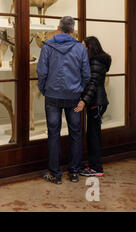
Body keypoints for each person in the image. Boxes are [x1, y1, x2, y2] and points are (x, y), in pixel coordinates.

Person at [37, 16, 91, 184]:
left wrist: (44, 89)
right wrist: (79, 90)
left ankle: (55, 174)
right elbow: (86, 74)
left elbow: (42, 72)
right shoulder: (80, 48)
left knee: (53, 133)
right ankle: (74, 172)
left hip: (52, 96)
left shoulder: (47, 46)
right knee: (76, 133)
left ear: (58, 28)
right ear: (73, 30)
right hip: (73, 97)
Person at [74, 36, 111, 177]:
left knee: (93, 136)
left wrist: (83, 101)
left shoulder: (96, 62)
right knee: (93, 134)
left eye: (84, 46)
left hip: (96, 103)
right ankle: (94, 165)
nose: (82, 48)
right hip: (96, 102)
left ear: (90, 47)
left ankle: (96, 168)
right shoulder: (97, 60)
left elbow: (93, 84)